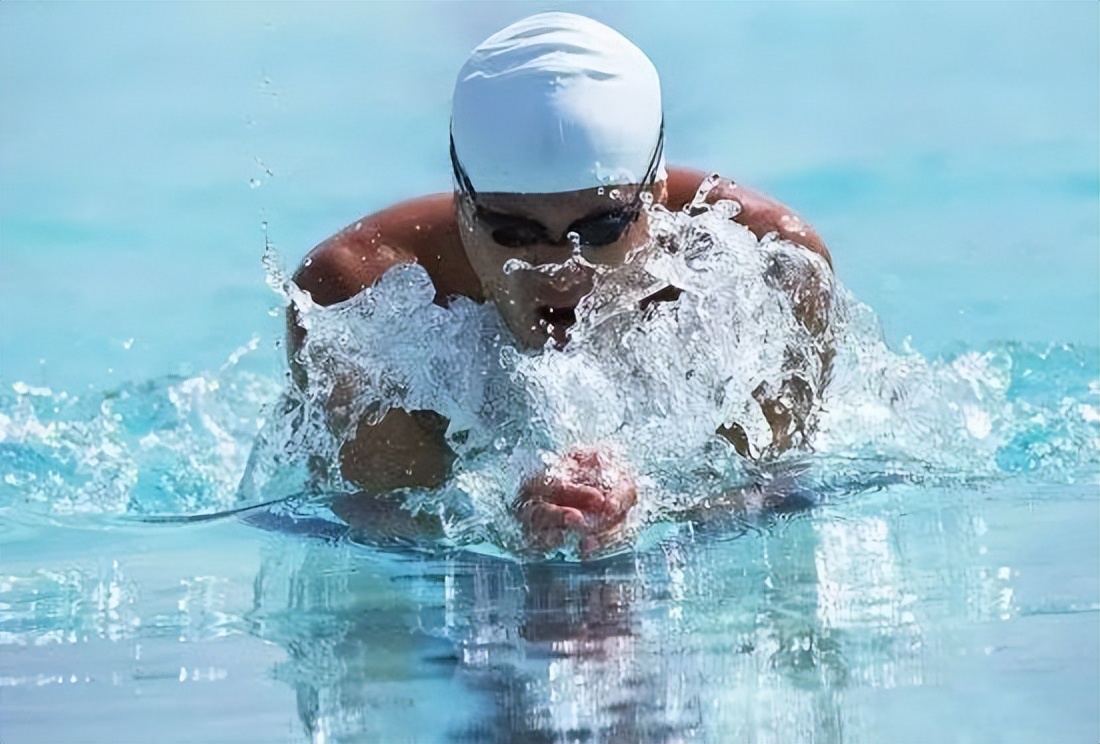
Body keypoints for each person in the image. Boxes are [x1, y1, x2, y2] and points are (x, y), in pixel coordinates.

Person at [286, 12, 834, 553]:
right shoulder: (356, 298)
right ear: (464, 209)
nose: (560, 268)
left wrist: (648, 501)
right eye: (512, 231)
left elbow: (766, 489)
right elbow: (390, 524)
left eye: (602, 228)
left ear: (656, 197)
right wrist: (500, 511)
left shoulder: (773, 265)